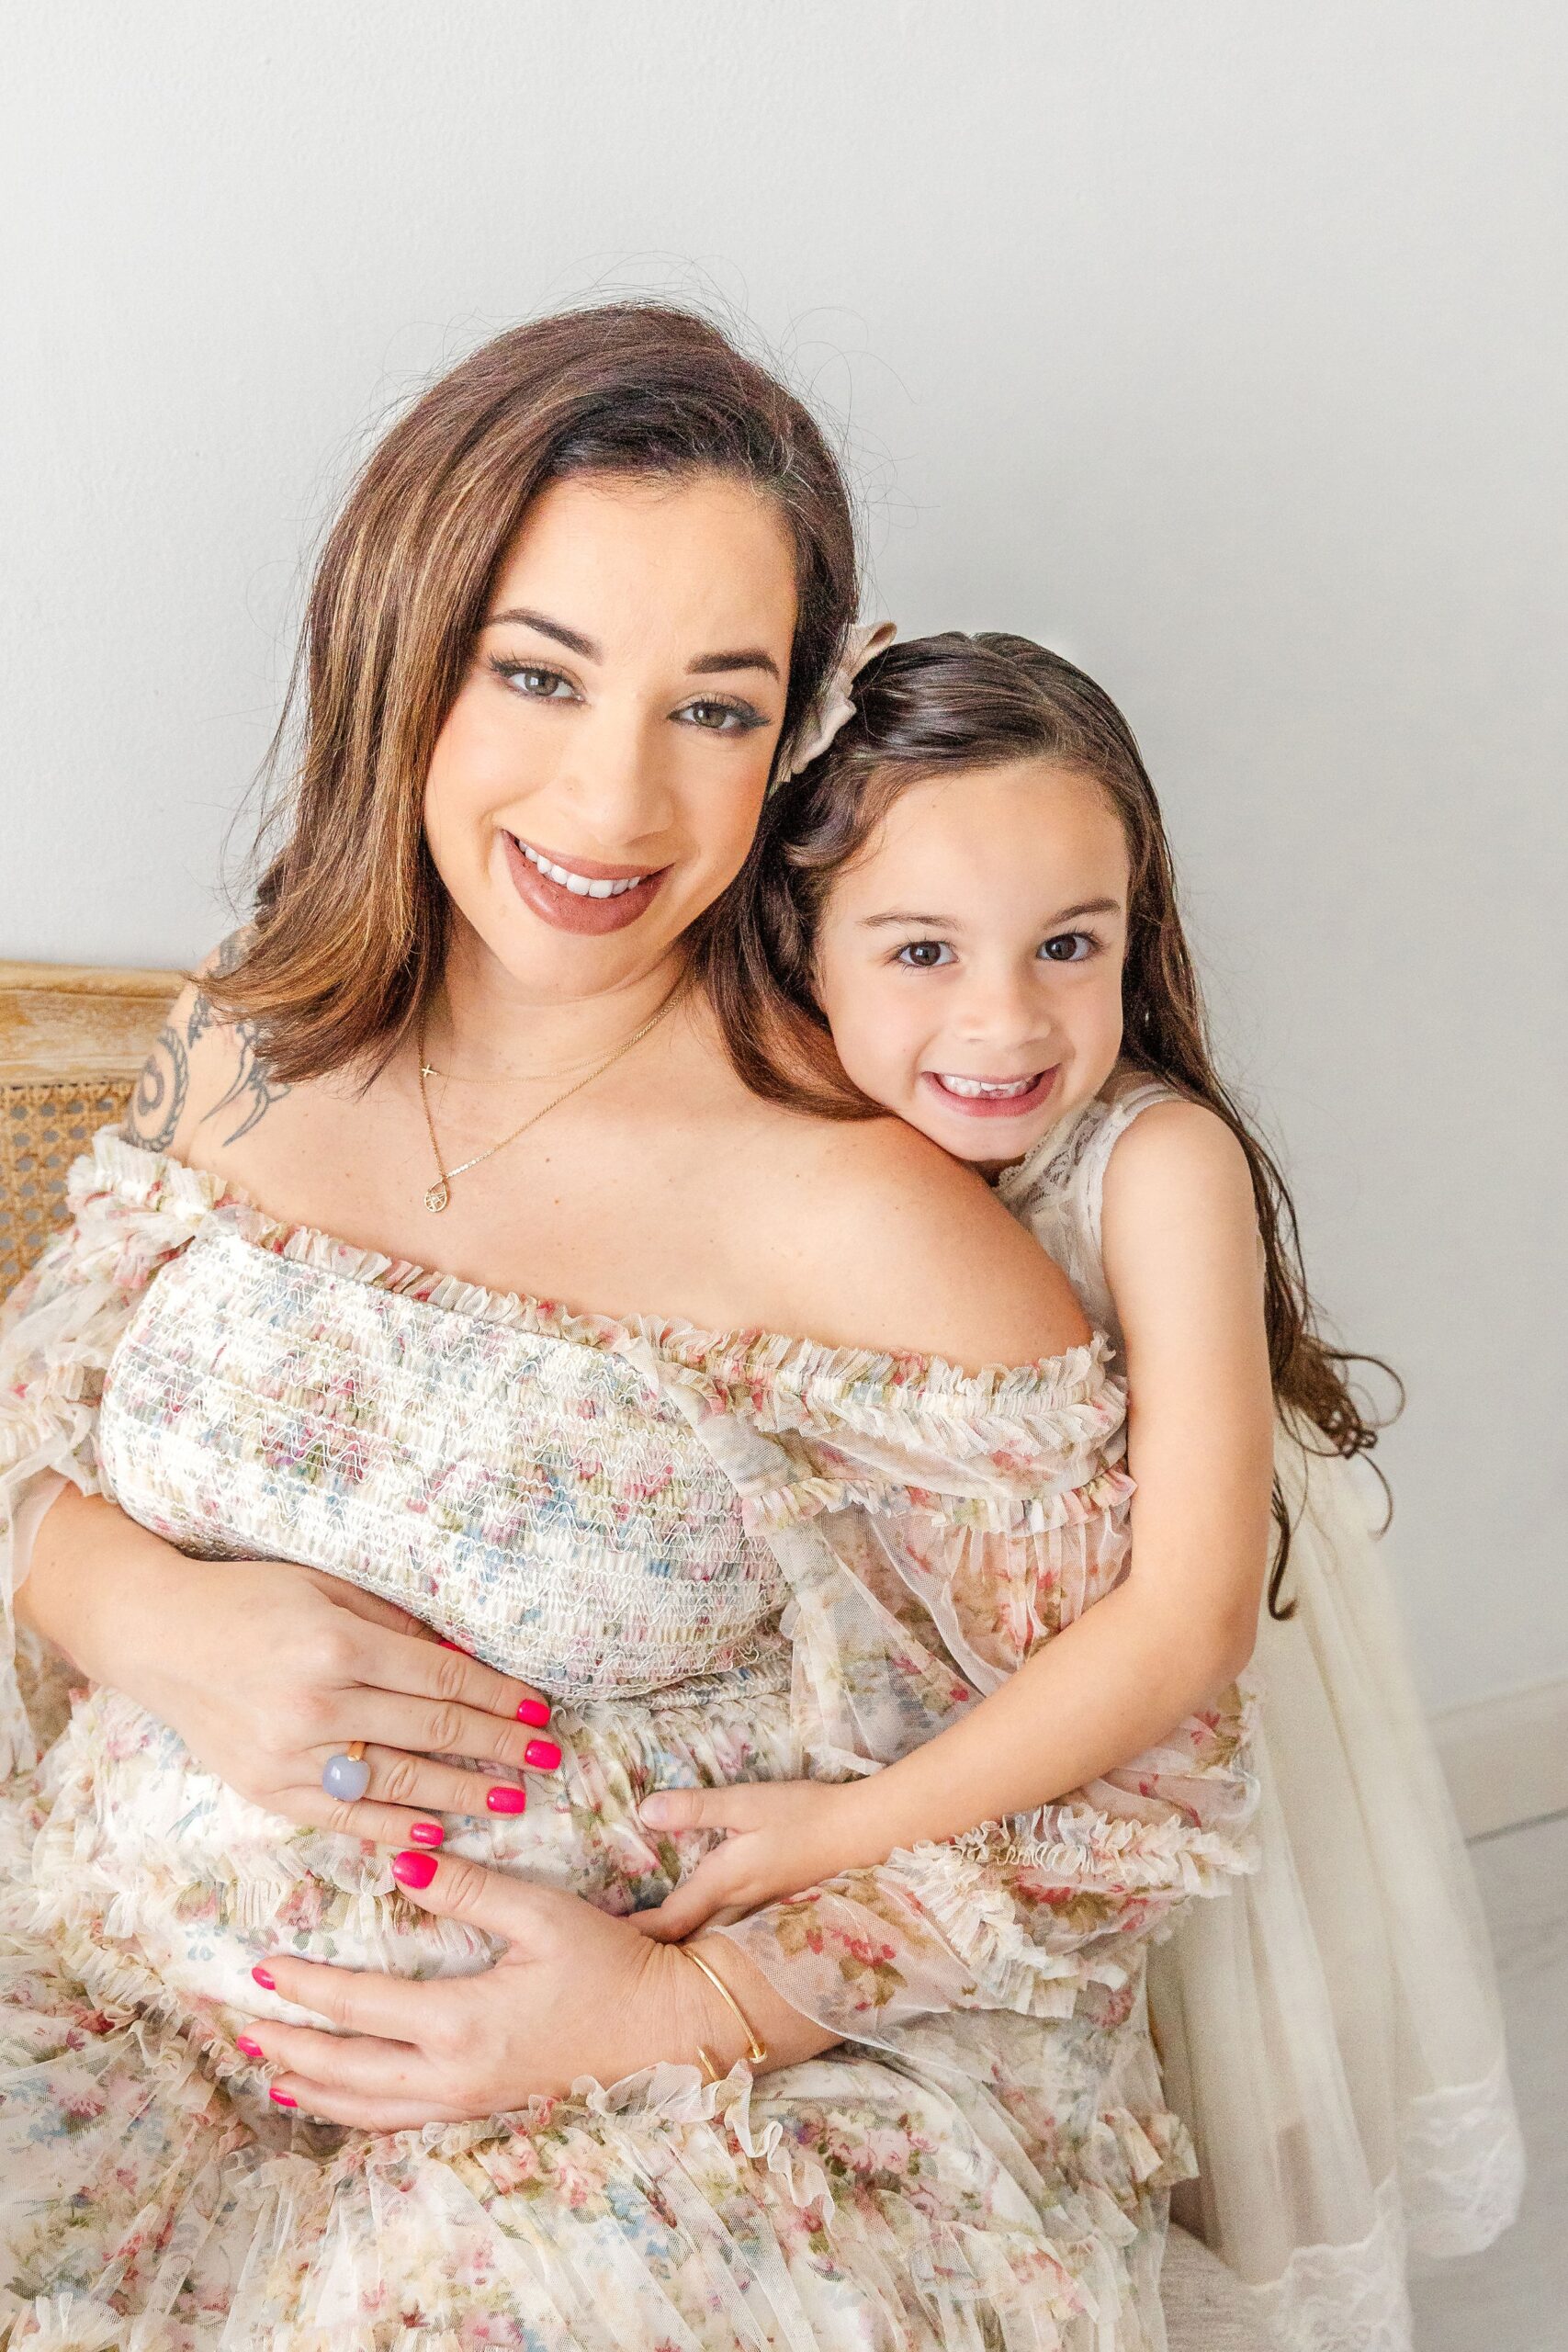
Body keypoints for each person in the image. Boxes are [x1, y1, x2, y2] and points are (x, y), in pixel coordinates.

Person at [0, 311, 1258, 2349]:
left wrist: (681, 2003)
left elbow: (1119, 1785)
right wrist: (131, 1605)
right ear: (403, 653)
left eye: (714, 705)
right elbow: (25, 1412)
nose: (613, 796)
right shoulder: (253, 1040)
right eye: (536, 672)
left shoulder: (873, 1218)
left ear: (791, 742)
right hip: (107, 1986)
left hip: (649, 2121)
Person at [632, 630, 1526, 2350]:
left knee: (1230, 2021)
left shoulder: (1151, 1164)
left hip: (1165, 1659)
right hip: (958, 1652)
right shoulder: (796, 1143)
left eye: (1068, 946)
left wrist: (848, 1833)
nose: (1004, 1019)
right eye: (921, 950)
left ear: (1138, 933)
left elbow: (1182, 1625)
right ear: (798, 944)